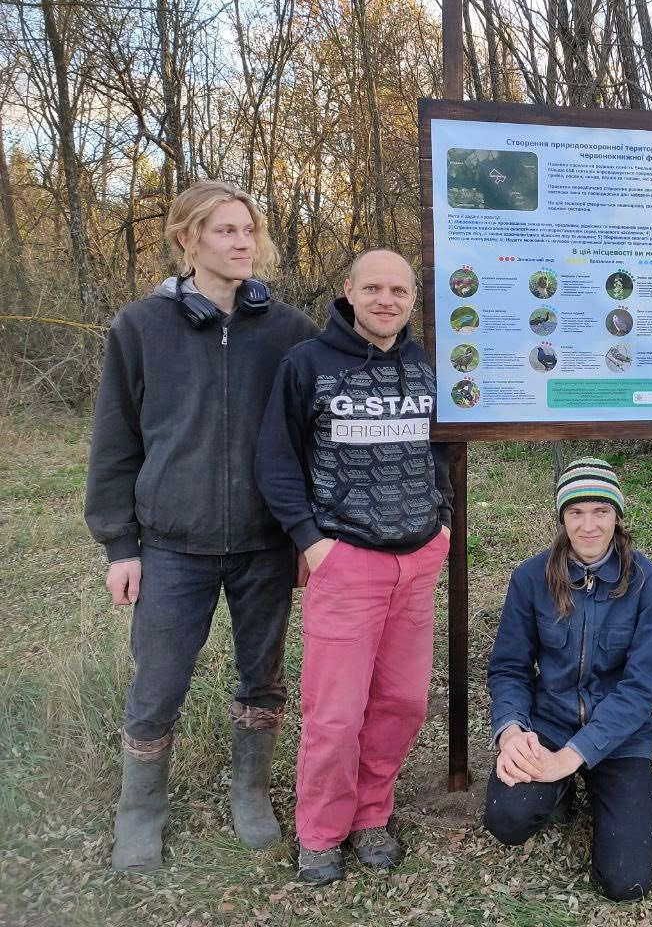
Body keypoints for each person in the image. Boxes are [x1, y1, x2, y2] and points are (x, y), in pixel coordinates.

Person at [85, 180, 317, 872]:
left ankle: (249, 793)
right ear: (187, 239)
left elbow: (311, 440)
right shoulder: (140, 327)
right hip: (170, 546)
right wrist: (119, 544)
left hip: (264, 544)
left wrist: (307, 536)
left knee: (263, 678)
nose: (243, 243)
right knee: (157, 683)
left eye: (249, 230)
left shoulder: (288, 330)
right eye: (225, 231)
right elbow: (115, 440)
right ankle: (140, 813)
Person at [255, 248, 453, 885]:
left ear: (413, 299)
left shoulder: (428, 366)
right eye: (374, 288)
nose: (386, 300)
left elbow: (443, 449)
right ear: (349, 291)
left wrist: (442, 521)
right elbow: (276, 461)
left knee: (402, 703)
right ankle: (320, 832)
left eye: (399, 290)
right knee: (335, 713)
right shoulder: (307, 365)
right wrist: (313, 543)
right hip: (345, 562)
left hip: (418, 561)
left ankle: (371, 815)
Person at [484, 458, 652, 901]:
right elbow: (509, 668)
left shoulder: (651, 583)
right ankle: (560, 792)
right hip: (549, 724)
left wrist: (573, 756)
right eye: (576, 512)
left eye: (601, 511)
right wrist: (512, 731)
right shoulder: (530, 578)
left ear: (617, 516)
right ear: (562, 518)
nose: (589, 526)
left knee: (628, 883)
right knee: (506, 819)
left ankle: (593, 784)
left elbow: (640, 689)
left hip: (620, 737)